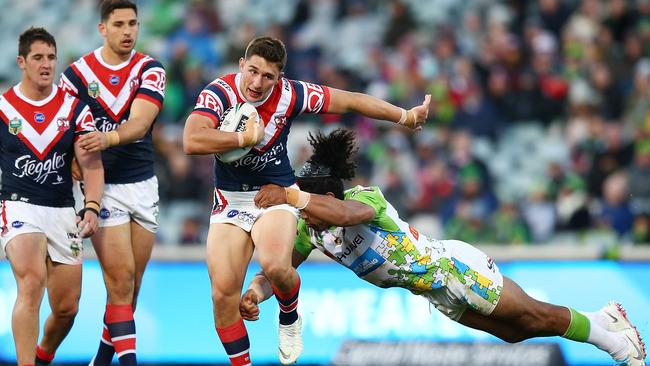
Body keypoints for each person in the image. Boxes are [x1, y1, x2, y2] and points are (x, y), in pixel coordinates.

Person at [244, 129, 647, 366]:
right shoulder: (309, 232)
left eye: (308, 203)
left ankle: (614, 340)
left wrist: (291, 197)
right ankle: (602, 317)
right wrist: (255, 294)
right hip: (433, 291)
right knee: (515, 334)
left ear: (326, 195)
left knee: (531, 314)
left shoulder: (366, 199)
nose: (303, 214)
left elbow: (348, 215)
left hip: (453, 268)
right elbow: (277, 269)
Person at [183, 36, 430, 365]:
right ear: (241, 65)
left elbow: (352, 101)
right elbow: (191, 138)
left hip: (275, 194)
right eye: (252, 72)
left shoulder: (292, 94)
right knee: (222, 295)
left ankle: (289, 316)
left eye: (268, 76)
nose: (257, 83)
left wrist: (405, 117)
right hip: (229, 200)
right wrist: (244, 137)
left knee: (274, 266)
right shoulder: (219, 92)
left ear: (279, 77)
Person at [58, 1, 165, 365]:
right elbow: (63, 129)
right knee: (119, 283)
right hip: (102, 188)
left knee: (130, 290)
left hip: (143, 183)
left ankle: (101, 359)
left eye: (133, 23)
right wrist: (72, 157)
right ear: (102, 29)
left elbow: (140, 123)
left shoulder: (149, 68)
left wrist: (107, 138)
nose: (128, 31)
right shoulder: (75, 76)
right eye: (119, 24)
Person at [0, 27, 104, 366]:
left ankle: (43, 356)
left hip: (62, 209)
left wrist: (91, 206)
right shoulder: (3, 109)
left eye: (51, 58)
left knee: (67, 308)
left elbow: (91, 164)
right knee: (31, 281)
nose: (46, 65)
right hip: (18, 205)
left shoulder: (75, 109)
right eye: (38, 58)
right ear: (22, 62)